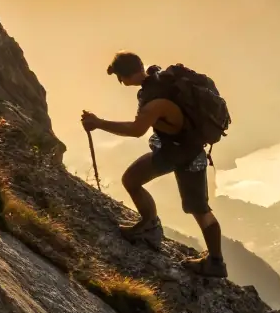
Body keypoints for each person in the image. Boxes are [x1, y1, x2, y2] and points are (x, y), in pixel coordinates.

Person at [81, 51, 227, 278]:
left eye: (120, 77)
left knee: (131, 179)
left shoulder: (154, 100)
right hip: (193, 149)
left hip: (175, 152)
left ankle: (150, 226)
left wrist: (98, 123)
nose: (120, 82)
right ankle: (216, 262)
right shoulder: (160, 77)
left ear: (126, 76)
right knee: (200, 209)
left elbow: (136, 130)